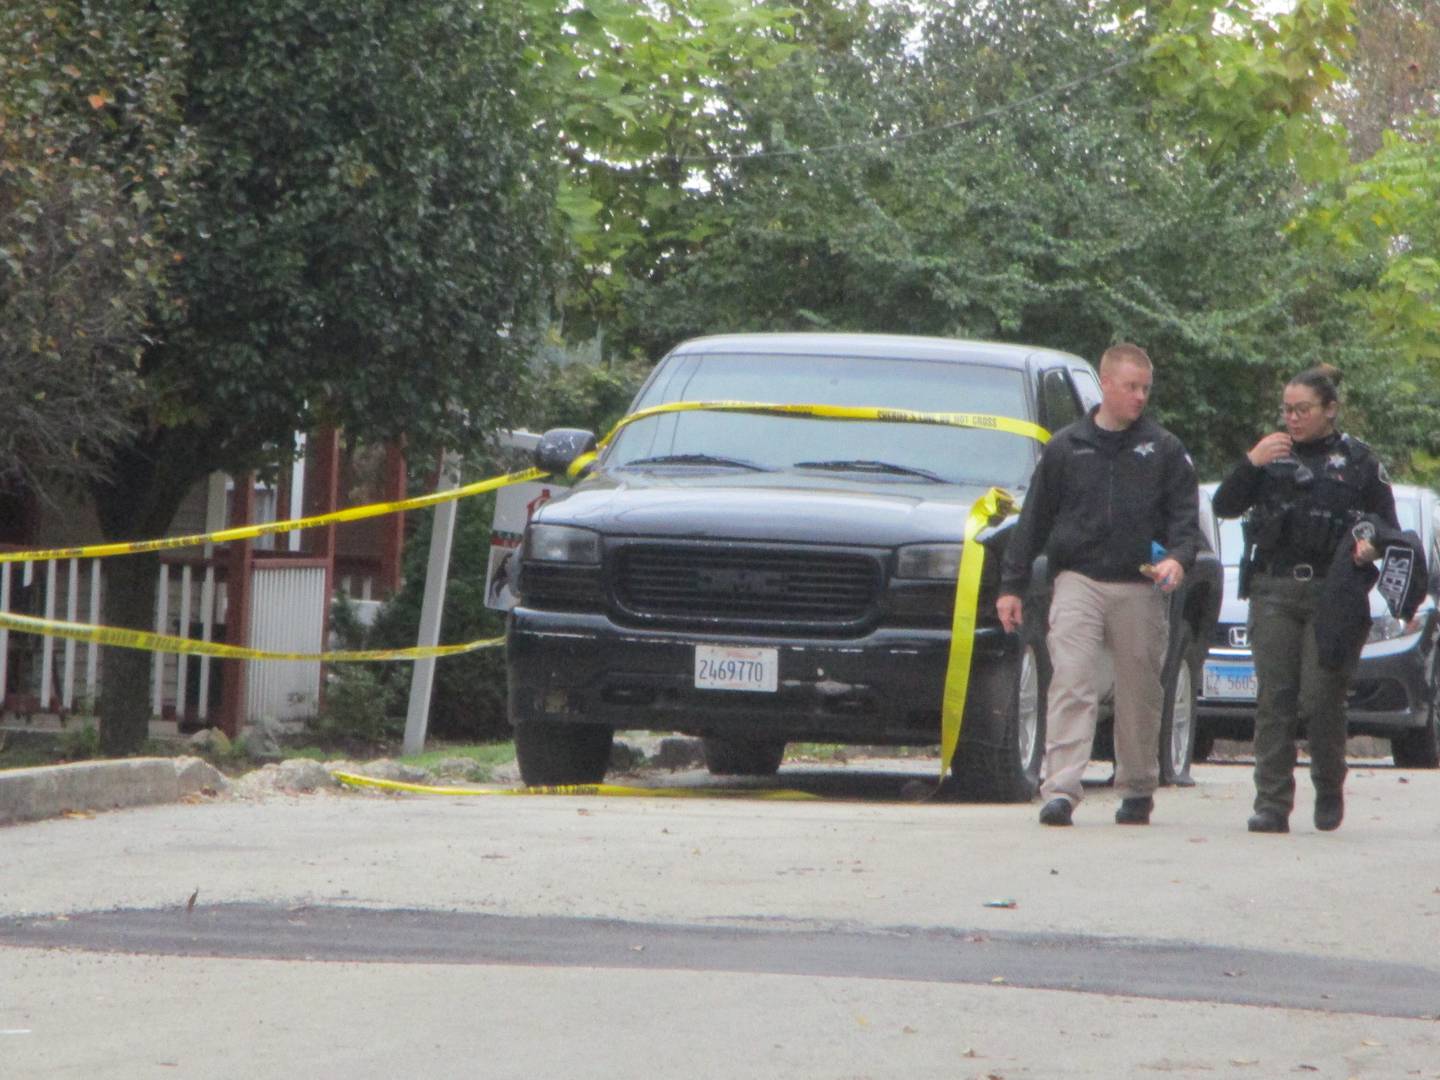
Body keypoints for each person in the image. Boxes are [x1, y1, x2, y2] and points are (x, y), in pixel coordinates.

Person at [997, 343, 1202, 827]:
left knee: (1139, 689)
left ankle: (1135, 785)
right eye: (1131, 387)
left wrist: (1177, 559)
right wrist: (1012, 584)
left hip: (1140, 585)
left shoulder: (1164, 450)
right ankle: (1061, 789)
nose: (1139, 397)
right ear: (1105, 385)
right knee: (1071, 677)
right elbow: (1033, 521)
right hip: (1079, 579)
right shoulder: (1067, 447)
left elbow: (1184, 522)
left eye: (1145, 389)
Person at [1211, 365, 1397, 834]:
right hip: (1274, 588)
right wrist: (1251, 462)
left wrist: (1371, 544)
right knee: (1275, 698)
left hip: (1333, 591)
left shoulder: (1358, 462)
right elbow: (1224, 505)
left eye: (1303, 410)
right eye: (1287, 410)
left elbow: (1388, 527)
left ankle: (1329, 783)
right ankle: (1271, 802)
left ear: (1329, 411)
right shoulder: (1271, 456)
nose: (1293, 419)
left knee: (1322, 697)